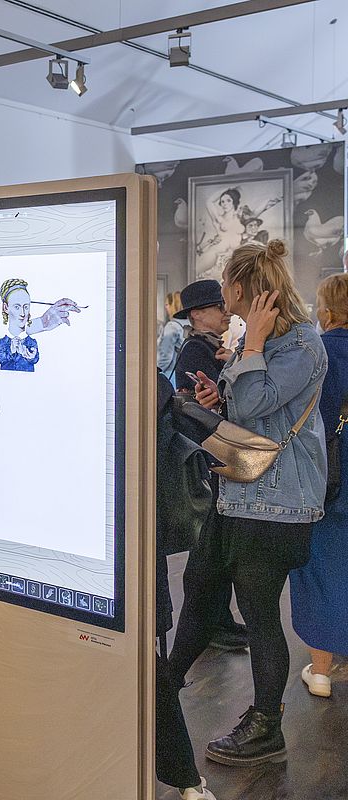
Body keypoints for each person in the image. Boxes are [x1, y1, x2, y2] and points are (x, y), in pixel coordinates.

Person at [168, 240, 326, 767]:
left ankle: (266, 726)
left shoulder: (300, 344)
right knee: (200, 585)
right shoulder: (264, 342)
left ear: (242, 288)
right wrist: (220, 396)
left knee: (258, 613)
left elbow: (258, 401)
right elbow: (247, 406)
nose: (223, 295)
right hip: (238, 495)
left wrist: (251, 345)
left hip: (277, 505)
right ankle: (164, 683)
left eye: (226, 285)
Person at [171, 279, 250, 652]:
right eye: (219, 307)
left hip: (210, 455)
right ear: (199, 314)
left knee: (213, 546)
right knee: (208, 547)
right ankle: (212, 623)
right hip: (207, 456)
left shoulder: (207, 348)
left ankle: (215, 621)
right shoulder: (196, 351)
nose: (227, 312)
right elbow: (205, 409)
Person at [154, 370, 218, 800]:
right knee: (148, 665)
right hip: (130, 550)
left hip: (119, 551)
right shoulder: (151, 385)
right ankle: (185, 779)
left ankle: (184, 777)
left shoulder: (149, 385)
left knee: (147, 666)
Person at [289, 271, 348, 698]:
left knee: (319, 567)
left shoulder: (317, 351)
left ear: (326, 311)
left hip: (327, 472)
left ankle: (322, 670)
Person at [0, 277, 81, 373]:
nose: (22, 313)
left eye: (26, 307)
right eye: (17, 307)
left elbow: (35, 359)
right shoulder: (3, 341)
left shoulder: (31, 342)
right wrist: (11, 350)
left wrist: (31, 356)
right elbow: (1, 358)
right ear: (6, 308)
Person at [158, 291, 189, 385]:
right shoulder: (189, 324)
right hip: (183, 374)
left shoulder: (171, 327)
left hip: (169, 374)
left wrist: (156, 372)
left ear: (174, 305)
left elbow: (165, 356)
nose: (165, 307)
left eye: (167, 304)